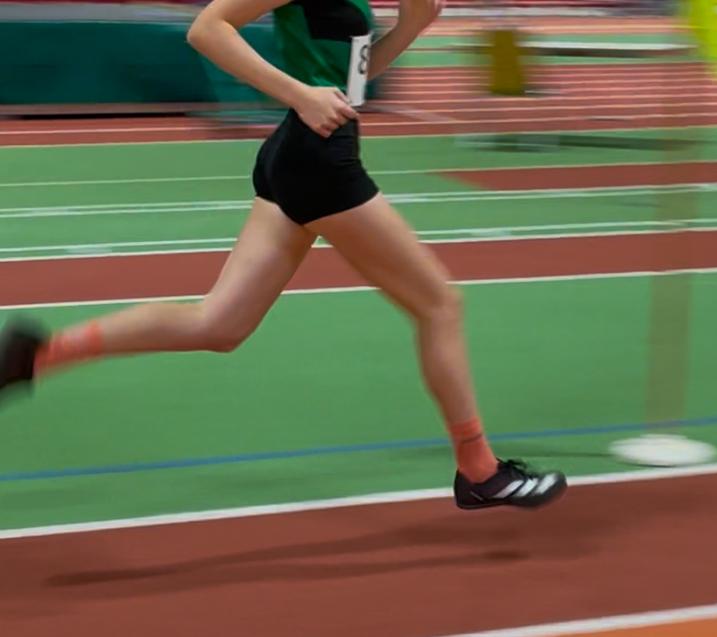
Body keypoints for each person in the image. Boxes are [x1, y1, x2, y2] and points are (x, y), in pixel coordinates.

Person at [0, 0, 566, 510]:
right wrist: (297, 94)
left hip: (303, 152)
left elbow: (351, 85)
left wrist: (412, 27)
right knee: (440, 305)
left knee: (218, 323)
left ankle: (40, 355)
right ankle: (479, 468)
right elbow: (208, 29)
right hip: (318, 161)